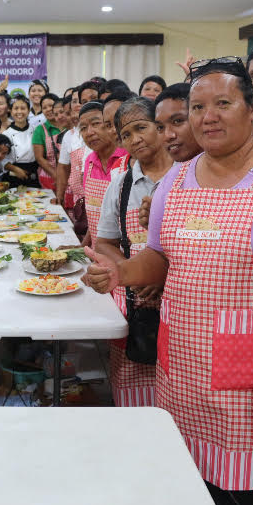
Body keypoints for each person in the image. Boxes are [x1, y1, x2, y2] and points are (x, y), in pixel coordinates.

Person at [84, 57, 253, 505]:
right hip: (182, 372)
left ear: (251, 109)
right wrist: (121, 272)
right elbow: (161, 258)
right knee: (194, 486)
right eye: (198, 106)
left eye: (222, 103)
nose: (208, 116)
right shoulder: (178, 178)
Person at [96, 96, 173, 408]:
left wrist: (160, 274)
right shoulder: (121, 185)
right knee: (132, 385)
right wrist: (133, 272)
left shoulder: (189, 176)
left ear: (160, 127)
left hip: (180, 301)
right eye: (126, 134)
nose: (134, 139)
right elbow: (105, 243)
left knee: (178, 384)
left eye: (141, 128)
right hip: (136, 302)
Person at [136, 83, 203, 230]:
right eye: (160, 127)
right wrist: (158, 224)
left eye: (178, 121)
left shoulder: (235, 175)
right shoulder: (170, 182)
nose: (168, 135)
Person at [80, 100, 129, 247]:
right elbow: (94, 216)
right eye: (83, 128)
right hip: (98, 253)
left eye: (96, 124)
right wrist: (82, 247)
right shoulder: (89, 162)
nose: (89, 132)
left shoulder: (127, 160)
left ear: (111, 126)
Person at [56, 83, 99, 208]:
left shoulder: (102, 131)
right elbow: (63, 167)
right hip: (78, 199)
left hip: (96, 197)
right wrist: (59, 195)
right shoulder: (69, 135)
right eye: (75, 101)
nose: (79, 104)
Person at [2, 94, 39, 188]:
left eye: (23, 108)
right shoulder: (6, 134)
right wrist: (15, 169)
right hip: (12, 175)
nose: (19, 112)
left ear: (28, 110)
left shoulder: (36, 131)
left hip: (33, 174)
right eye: (16, 108)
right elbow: (1, 159)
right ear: (10, 110)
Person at [33, 93, 63, 190]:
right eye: (44, 107)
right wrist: (56, 175)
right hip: (49, 176)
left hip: (71, 174)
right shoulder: (39, 130)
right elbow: (39, 158)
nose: (48, 109)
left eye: (51, 105)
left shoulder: (67, 125)